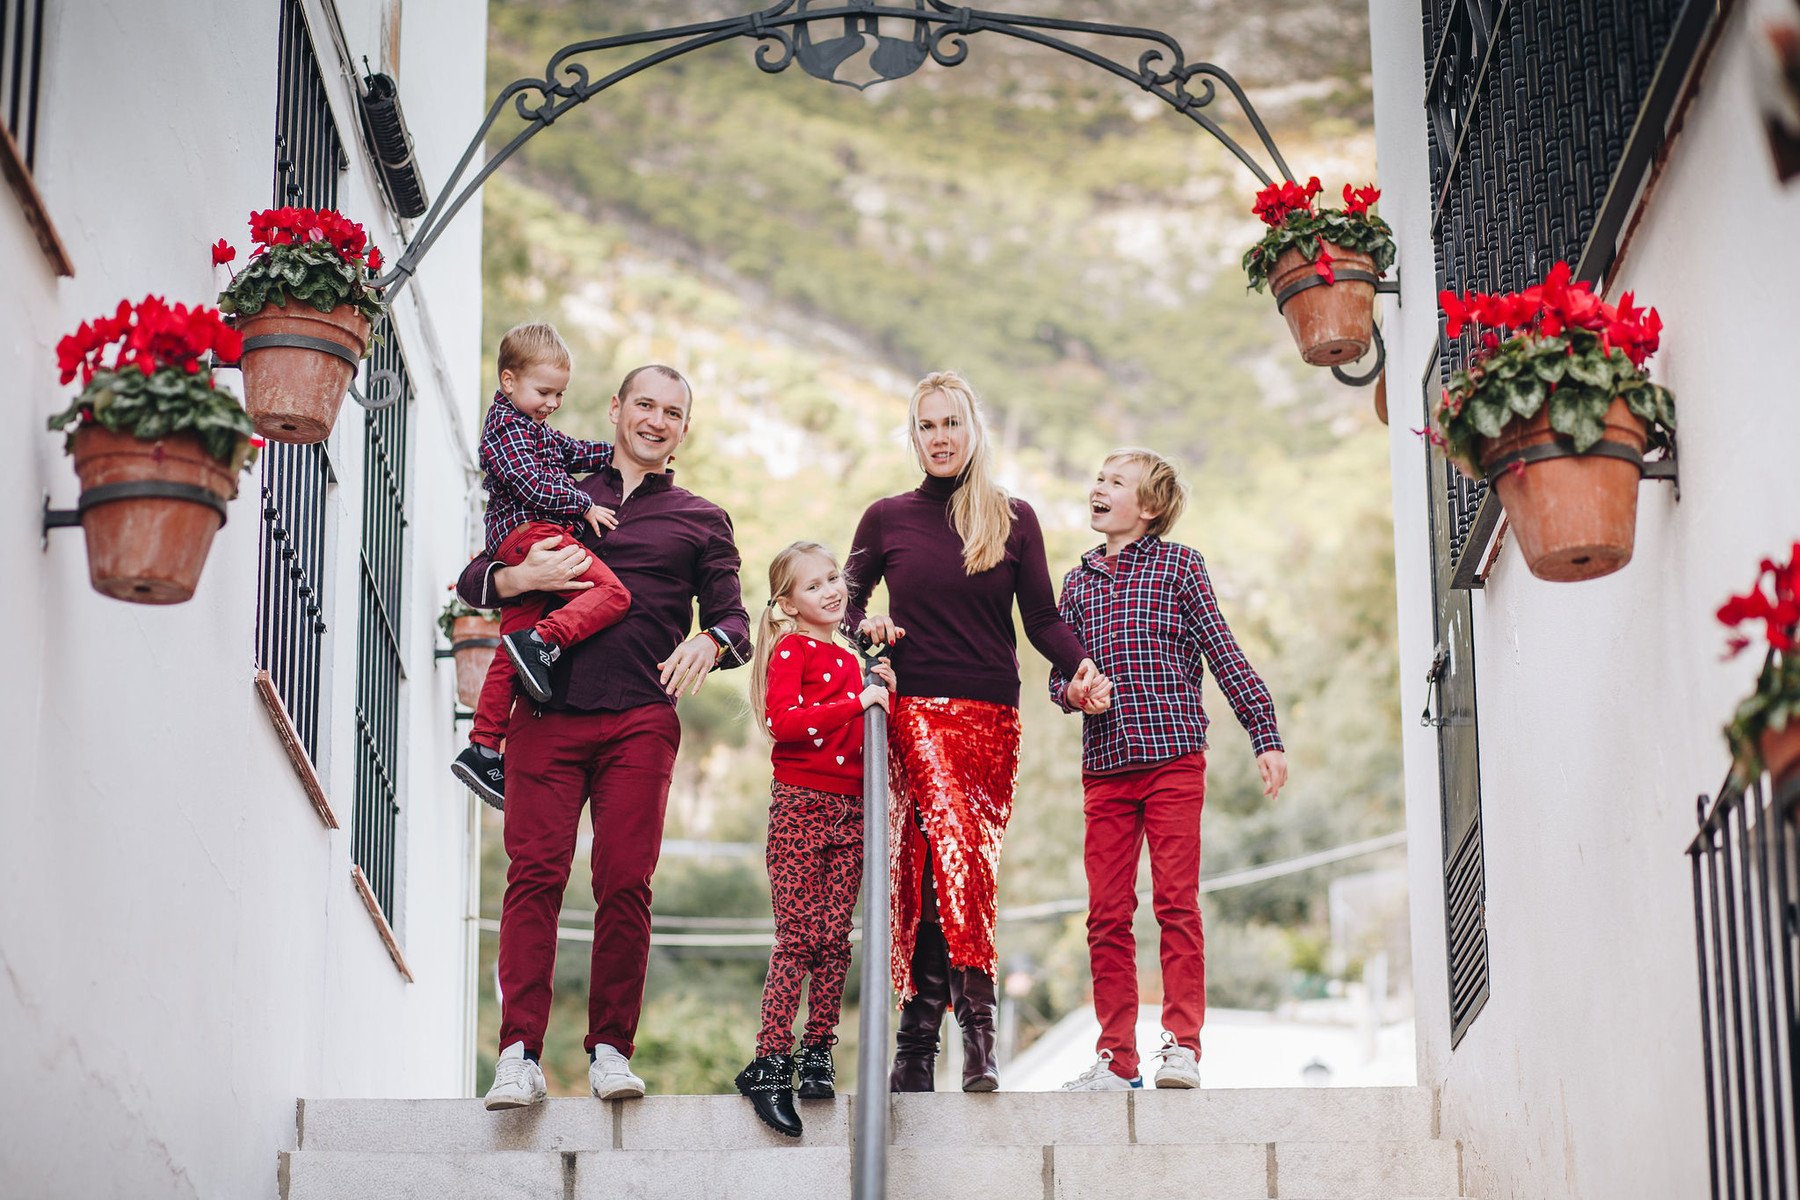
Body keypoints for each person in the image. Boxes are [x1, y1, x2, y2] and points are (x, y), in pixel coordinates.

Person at [459, 364, 754, 1111]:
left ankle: (610, 1050)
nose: (656, 420)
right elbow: (472, 580)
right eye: (645, 405)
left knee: (626, 883)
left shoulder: (702, 518)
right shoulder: (555, 490)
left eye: (673, 412)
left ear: (685, 429)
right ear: (617, 408)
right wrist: (516, 582)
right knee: (535, 879)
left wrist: (710, 642)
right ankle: (519, 1054)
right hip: (544, 718)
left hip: (640, 721)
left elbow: (734, 617)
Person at [847, 370, 1109, 1093]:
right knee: (949, 862)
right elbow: (844, 604)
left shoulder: (1014, 517)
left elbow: (1042, 621)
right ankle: (977, 1038)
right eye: (926, 426)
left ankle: (919, 1047)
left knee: (952, 872)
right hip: (917, 713)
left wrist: (1082, 667)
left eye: (951, 424)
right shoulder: (885, 518)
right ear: (914, 435)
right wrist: (868, 632)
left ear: (973, 431)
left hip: (993, 720)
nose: (939, 438)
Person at [1049, 447, 1287, 1091]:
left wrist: (1264, 733)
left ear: (1148, 509)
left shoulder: (1181, 567)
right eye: (1097, 477)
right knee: (1106, 914)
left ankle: (1182, 1048)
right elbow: (1058, 675)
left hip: (1173, 760)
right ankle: (1116, 1061)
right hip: (1105, 770)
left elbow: (1224, 652)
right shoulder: (1075, 585)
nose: (1097, 487)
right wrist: (1074, 692)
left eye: (1115, 482)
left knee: (1177, 904)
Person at [734, 542, 897, 1138]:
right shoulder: (792, 649)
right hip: (801, 806)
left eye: (834, 578)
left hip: (852, 810)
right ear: (787, 603)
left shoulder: (853, 656)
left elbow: (870, 727)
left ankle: (817, 1052)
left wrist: (882, 690)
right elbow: (784, 722)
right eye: (813, 586)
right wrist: (859, 700)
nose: (830, 590)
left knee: (835, 939)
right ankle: (771, 1060)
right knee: (798, 935)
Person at [449, 323, 632, 810]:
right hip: (529, 535)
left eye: (560, 394)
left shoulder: (537, 429)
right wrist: (582, 505)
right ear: (509, 382)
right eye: (544, 391)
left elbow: (576, 451)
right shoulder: (504, 427)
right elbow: (532, 484)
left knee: (510, 653)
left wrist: (622, 453)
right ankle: (545, 641)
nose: (553, 401)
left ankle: (484, 747)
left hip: (530, 544)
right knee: (613, 595)